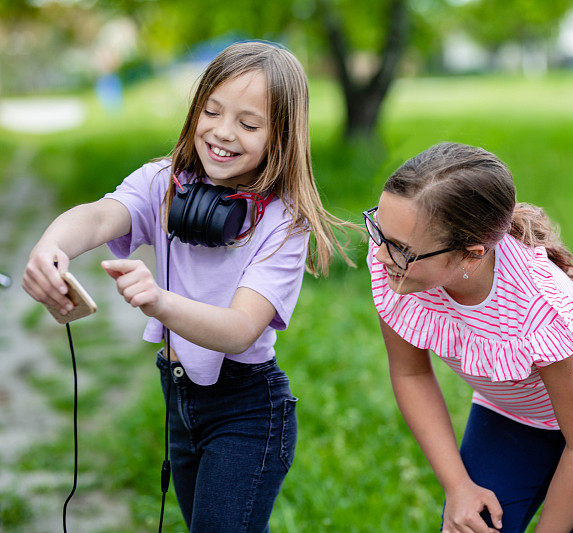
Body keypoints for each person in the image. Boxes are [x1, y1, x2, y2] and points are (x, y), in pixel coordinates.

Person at [23, 41, 351, 531]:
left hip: (247, 412)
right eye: (211, 111)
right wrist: (52, 247)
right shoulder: (165, 182)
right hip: (179, 398)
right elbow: (98, 217)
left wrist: (158, 301)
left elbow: (241, 330)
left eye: (248, 123)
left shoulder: (286, 224)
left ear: (281, 137)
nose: (222, 132)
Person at [364, 142, 573, 533]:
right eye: (381, 232)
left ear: (472, 254)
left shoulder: (539, 308)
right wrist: (459, 487)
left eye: (399, 248)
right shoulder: (397, 263)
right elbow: (411, 375)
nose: (382, 255)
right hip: (513, 413)